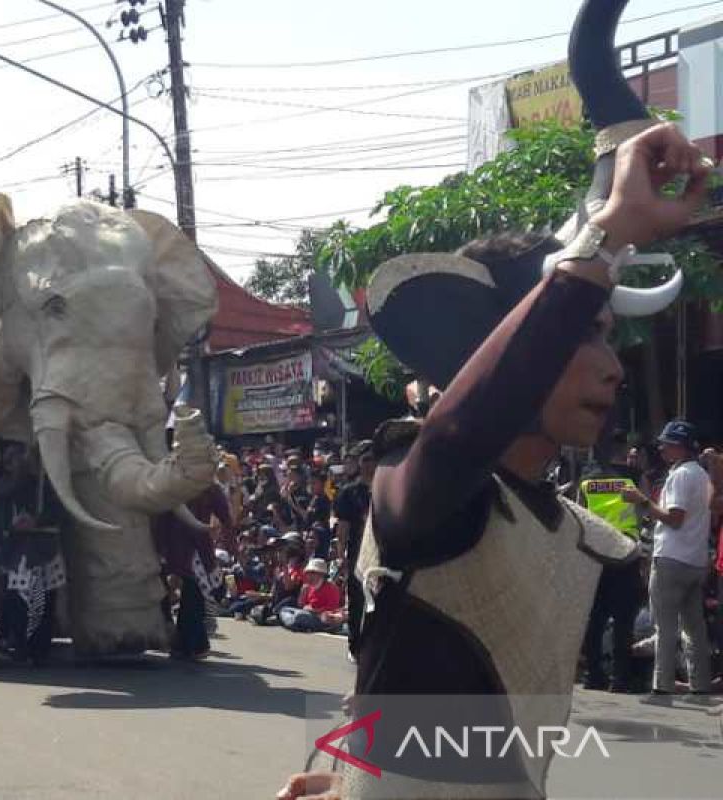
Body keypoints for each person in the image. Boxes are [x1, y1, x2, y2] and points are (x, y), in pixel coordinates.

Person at [281, 115, 707, 797]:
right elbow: (461, 436)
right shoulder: (414, 480)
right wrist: (607, 238)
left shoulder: (578, 534)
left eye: (607, 340)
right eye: (584, 337)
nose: (612, 369)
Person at [623, 420, 714, 695]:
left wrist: (641, 500)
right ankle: (700, 684)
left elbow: (674, 518)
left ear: (679, 447)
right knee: (693, 628)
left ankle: (662, 685)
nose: (661, 449)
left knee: (665, 627)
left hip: (672, 558)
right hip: (695, 560)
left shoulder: (679, 476)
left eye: (666, 444)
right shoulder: (701, 475)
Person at [0, 442, 68, 665]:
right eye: (10, 459)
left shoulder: (43, 485)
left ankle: (39, 645)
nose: (15, 463)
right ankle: (17, 641)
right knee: (16, 599)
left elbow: (56, 511)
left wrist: (37, 521)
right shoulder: (1, 487)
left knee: (43, 600)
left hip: (42, 550)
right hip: (16, 552)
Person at [579, 460, 644, 692]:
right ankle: (620, 678)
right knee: (623, 620)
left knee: (595, 618)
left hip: (596, 551)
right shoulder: (633, 475)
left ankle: (592, 675)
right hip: (625, 550)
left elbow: (579, 513)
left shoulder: (586, 477)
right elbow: (643, 508)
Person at [153, 482, 230, 660]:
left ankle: (190, 643)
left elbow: (226, 520)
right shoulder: (171, 483)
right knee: (179, 593)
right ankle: (183, 641)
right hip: (173, 545)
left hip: (193, 548)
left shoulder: (209, 488)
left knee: (194, 594)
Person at [334, 447, 374, 661]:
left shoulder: (386, 488)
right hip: (358, 552)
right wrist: (341, 554)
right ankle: (355, 644)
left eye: (372, 459)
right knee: (357, 599)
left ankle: (375, 644)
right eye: (365, 460)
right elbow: (343, 526)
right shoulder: (350, 492)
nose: (369, 464)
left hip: (383, 554)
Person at [278, 558, 346, 633]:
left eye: (312, 573)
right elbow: (301, 605)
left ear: (321, 574)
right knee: (284, 610)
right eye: (308, 573)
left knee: (300, 616)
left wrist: (315, 610)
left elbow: (332, 608)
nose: (309, 576)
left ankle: (292, 623)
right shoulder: (308, 587)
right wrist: (303, 594)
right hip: (307, 614)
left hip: (321, 617)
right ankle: (295, 623)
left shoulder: (332, 588)